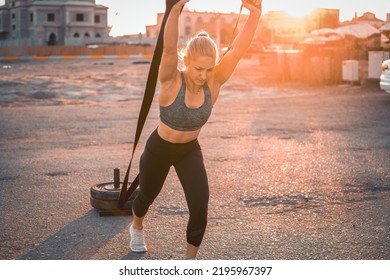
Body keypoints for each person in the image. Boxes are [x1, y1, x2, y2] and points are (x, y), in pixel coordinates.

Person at [130, 0, 262, 259]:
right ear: (186, 60)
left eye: (209, 69)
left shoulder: (214, 82)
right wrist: (176, 7)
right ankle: (136, 226)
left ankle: (189, 264)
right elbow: (168, 49)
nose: (203, 75)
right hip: (159, 149)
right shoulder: (170, 79)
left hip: (188, 150)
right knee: (146, 195)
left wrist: (255, 15)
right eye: (198, 68)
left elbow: (237, 50)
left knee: (200, 206)